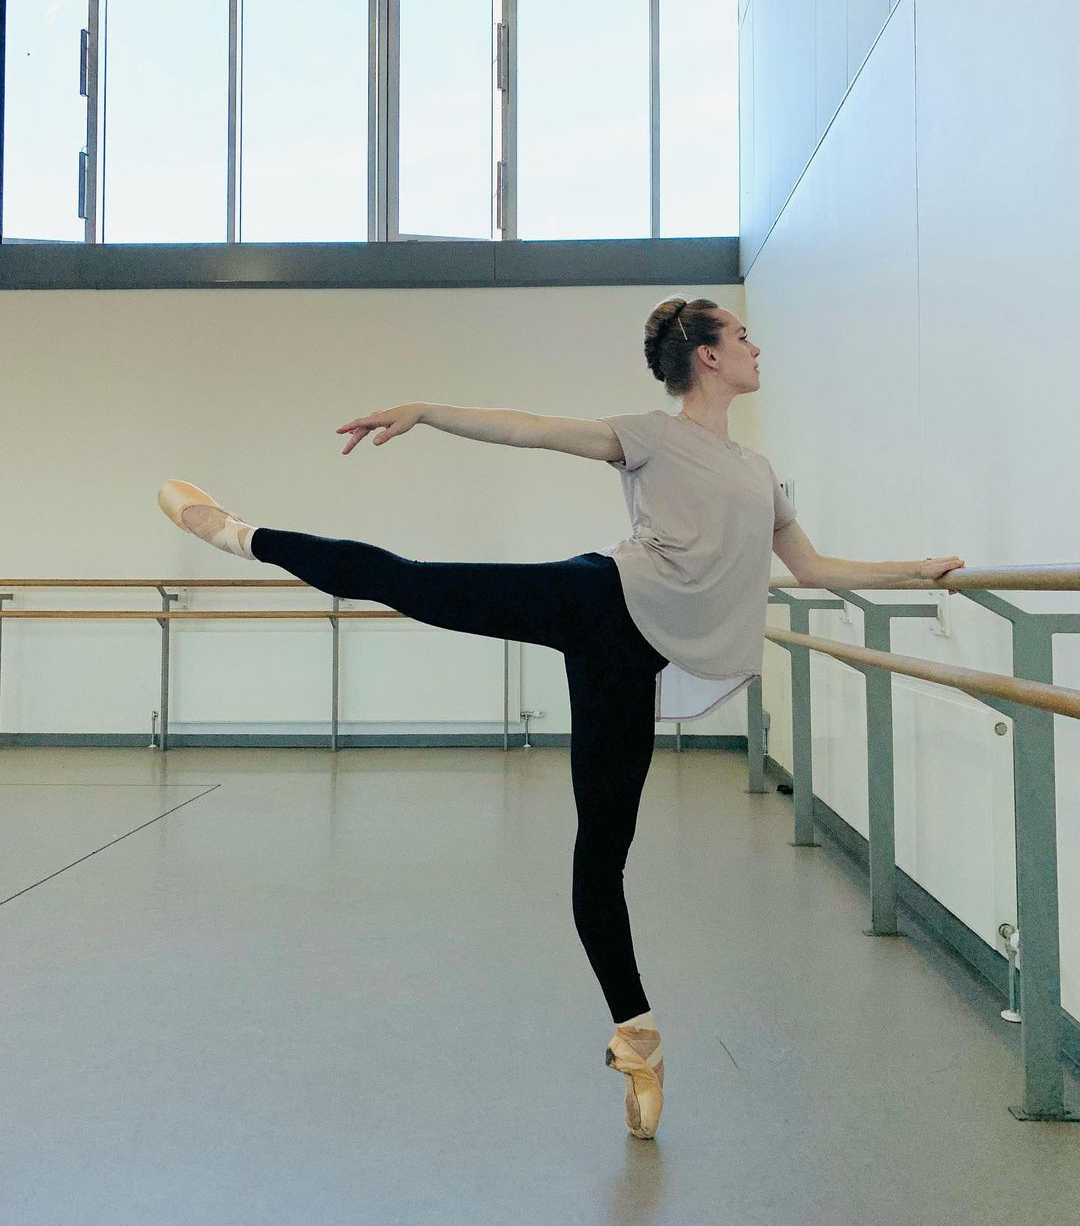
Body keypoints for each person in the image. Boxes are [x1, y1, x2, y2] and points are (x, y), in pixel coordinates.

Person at [157, 296, 964, 1140]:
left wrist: (919, 571)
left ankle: (636, 1039)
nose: (756, 348)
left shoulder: (758, 473)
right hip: (598, 599)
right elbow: (531, 430)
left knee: (602, 856)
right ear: (707, 356)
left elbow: (815, 567)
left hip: (631, 661)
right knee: (414, 582)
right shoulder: (651, 437)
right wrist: (427, 410)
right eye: (743, 337)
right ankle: (239, 535)